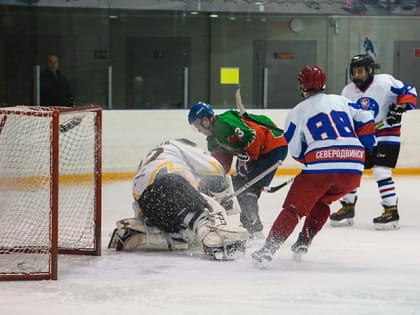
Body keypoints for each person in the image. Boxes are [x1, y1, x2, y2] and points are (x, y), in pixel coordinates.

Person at [251, 65, 376, 266]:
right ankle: (304, 241)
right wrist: (368, 147)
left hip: (321, 169)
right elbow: (366, 116)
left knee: (294, 209)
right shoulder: (342, 100)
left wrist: (312, 159)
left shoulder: (296, 112)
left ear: (302, 85)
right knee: (323, 202)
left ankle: (267, 250)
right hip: (353, 168)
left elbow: (297, 152)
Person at [108, 138, 248, 261]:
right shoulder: (181, 146)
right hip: (167, 180)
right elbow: (215, 168)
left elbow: (157, 196)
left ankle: (142, 232)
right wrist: (221, 194)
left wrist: (145, 218)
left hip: (145, 200)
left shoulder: (158, 155)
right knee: (205, 213)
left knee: (181, 234)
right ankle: (215, 240)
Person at [329, 54, 417, 230]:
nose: (357, 75)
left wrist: (400, 108)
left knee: (381, 170)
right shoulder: (347, 92)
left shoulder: (385, 82)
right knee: (352, 168)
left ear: (369, 70)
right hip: (366, 136)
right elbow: (346, 116)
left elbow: (410, 91)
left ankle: (391, 210)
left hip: (388, 134)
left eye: (360, 71)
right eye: (354, 72)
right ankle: (348, 206)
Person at [187, 102, 288, 237]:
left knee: (248, 189)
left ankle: (253, 228)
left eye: (198, 125)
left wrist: (248, 156)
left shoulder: (224, 122)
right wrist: (207, 183)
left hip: (273, 147)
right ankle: (252, 225)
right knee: (237, 185)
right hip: (261, 152)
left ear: (205, 120)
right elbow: (220, 165)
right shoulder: (213, 139)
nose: (198, 130)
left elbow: (254, 134)